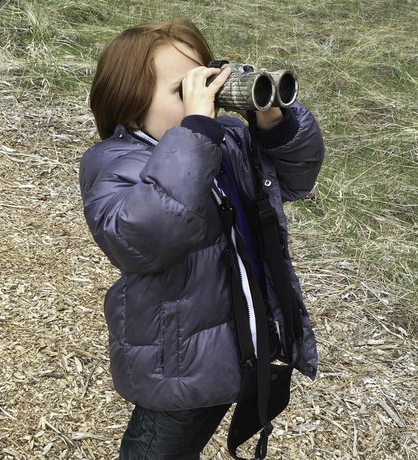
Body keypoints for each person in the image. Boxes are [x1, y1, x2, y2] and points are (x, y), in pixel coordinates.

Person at [80, 20, 324, 459]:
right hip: (177, 361)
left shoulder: (226, 141)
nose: (206, 98)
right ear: (130, 106)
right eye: (185, 90)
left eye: (209, 79)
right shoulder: (114, 162)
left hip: (239, 343)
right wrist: (194, 133)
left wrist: (272, 120)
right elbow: (146, 237)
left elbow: (295, 177)